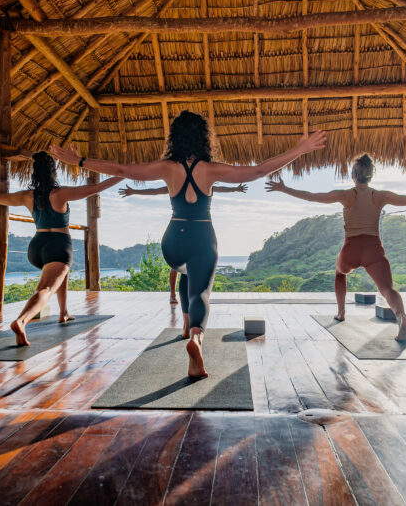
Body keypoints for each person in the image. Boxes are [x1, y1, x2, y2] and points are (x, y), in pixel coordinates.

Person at [49, 110, 326, 377]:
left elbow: (122, 169)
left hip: (173, 243)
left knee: (184, 273)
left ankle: (184, 326)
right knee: (200, 293)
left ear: (176, 138)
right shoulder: (211, 169)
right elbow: (258, 171)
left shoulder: (166, 168)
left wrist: (80, 161)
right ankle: (196, 337)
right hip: (202, 238)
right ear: (204, 138)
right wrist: (298, 150)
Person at [266, 154, 406, 341]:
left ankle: (341, 313)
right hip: (374, 249)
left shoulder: (346, 195)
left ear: (353, 175)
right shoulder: (380, 196)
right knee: (387, 289)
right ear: (371, 175)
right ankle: (401, 318)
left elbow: (312, 197)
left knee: (340, 273)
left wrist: (284, 189)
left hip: (351, 248)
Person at [0, 151, 123, 347]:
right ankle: (21, 321)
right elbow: (97, 187)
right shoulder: (61, 193)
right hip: (58, 244)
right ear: (54, 172)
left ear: (34, 173)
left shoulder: (27, 196)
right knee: (47, 288)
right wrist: (125, 174)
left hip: (37, 246)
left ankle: (64, 312)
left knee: (60, 273)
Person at [118, 183, 248, 304]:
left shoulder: (203, 185)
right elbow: (156, 191)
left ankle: (196, 297)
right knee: (175, 267)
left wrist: (235, 189)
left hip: (197, 230)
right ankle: (173, 295)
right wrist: (134, 191)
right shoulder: (177, 185)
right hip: (180, 228)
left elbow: (219, 188)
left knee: (196, 265)